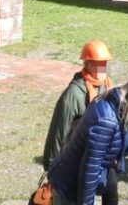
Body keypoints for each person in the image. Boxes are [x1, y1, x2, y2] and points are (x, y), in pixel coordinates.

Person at [47, 77, 128, 205]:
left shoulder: (113, 102)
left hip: (72, 177)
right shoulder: (106, 121)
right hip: (68, 185)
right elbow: (90, 169)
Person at [42, 40, 117, 204]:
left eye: (105, 63)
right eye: (98, 63)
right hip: (78, 157)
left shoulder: (108, 87)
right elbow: (57, 132)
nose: (103, 67)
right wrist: (51, 167)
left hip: (102, 154)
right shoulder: (73, 94)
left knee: (111, 191)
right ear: (87, 64)